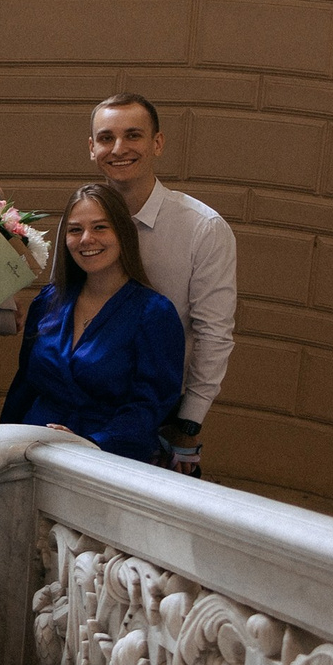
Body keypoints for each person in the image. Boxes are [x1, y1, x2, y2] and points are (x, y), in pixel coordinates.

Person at [87, 93, 235, 473]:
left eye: (133, 136)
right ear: (92, 148)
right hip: (83, 400)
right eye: (106, 138)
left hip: (162, 415)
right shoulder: (82, 221)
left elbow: (213, 335)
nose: (119, 148)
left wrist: (189, 423)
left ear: (157, 143)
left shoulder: (203, 229)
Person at [4, 183, 187, 460]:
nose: (86, 239)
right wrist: (1, 443)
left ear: (123, 233)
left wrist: (90, 445)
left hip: (107, 459)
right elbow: (24, 386)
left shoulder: (154, 313)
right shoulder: (48, 301)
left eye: (100, 227)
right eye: (75, 230)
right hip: (31, 452)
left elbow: (149, 407)